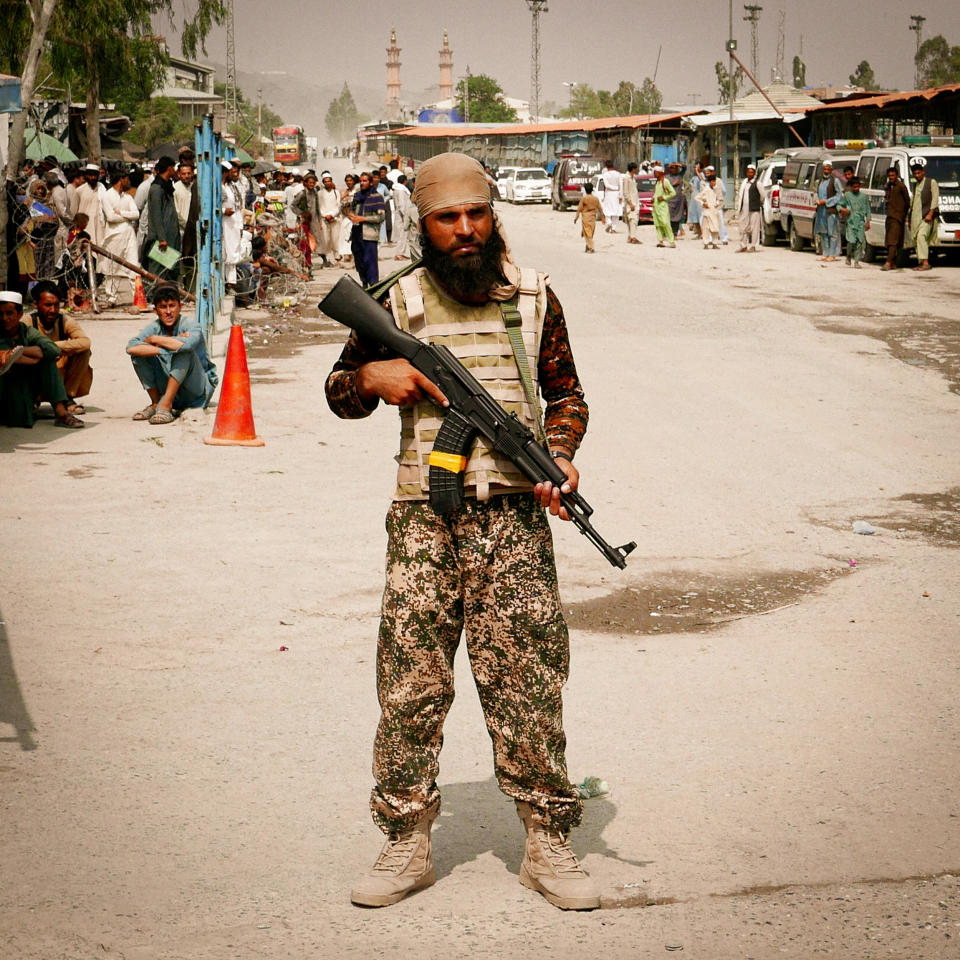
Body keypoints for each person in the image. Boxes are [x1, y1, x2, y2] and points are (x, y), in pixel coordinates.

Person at [325, 151, 599, 912]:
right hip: (424, 519)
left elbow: (566, 392)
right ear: (426, 223)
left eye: (477, 214)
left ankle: (548, 842)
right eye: (449, 218)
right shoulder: (395, 302)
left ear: (493, 214)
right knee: (410, 683)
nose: (467, 229)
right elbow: (339, 391)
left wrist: (564, 456)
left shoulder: (535, 297)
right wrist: (370, 380)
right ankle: (405, 839)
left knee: (530, 681)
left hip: (514, 519)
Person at [126, 283, 218, 425]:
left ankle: (166, 405)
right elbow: (131, 347)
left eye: (172, 306)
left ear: (180, 307)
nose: (168, 312)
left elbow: (186, 345)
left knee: (183, 352)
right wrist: (167, 347)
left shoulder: (190, 324)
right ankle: (156, 403)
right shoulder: (155, 327)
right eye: (163, 307)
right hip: (174, 388)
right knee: (139, 354)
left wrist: (155, 340)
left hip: (197, 391)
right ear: (156, 310)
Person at [0, 290, 83, 428]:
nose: (4, 318)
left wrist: (19, 351)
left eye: (9, 313)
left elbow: (52, 350)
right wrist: (16, 357)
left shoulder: (25, 331)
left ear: (19, 314)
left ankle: (61, 413)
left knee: (47, 361)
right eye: (0, 314)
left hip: (22, 388)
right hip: (5, 389)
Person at [28, 280, 92, 410]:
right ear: (36, 305)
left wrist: (52, 347)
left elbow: (85, 342)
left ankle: (67, 397)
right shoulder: (27, 322)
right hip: (36, 373)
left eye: (56, 305)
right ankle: (31, 398)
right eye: (48, 305)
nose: (53, 310)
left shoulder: (64, 320)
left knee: (84, 352)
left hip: (59, 371)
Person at [100, 167, 141, 303]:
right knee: (113, 267)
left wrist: (121, 213)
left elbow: (136, 214)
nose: (128, 181)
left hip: (129, 234)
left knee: (133, 265)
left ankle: (137, 296)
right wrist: (126, 216)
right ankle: (111, 297)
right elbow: (111, 217)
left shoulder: (127, 197)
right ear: (120, 180)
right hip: (114, 235)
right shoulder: (107, 195)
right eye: (126, 179)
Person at [144, 156, 180, 288]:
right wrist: (162, 238)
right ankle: (152, 294)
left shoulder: (166, 186)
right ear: (169, 168)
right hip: (161, 238)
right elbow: (156, 216)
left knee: (169, 269)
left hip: (170, 235)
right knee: (157, 269)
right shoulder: (157, 189)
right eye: (174, 168)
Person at [346, 171, 385, 286]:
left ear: (371, 183)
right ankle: (364, 283)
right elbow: (352, 210)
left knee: (370, 263)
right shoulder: (357, 196)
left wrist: (363, 218)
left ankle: (373, 286)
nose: (362, 183)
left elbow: (381, 217)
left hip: (369, 235)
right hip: (357, 233)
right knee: (359, 262)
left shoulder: (377, 197)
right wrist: (351, 215)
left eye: (365, 181)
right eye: (361, 181)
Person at [908, 157, 939, 272]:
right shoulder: (916, 185)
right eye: (915, 173)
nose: (917, 175)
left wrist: (930, 214)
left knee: (922, 237)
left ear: (923, 172)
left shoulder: (931, 182)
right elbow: (913, 203)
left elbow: (935, 199)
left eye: (918, 173)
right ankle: (921, 263)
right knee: (916, 239)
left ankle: (926, 263)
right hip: (916, 217)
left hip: (927, 217)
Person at [837, 177, 871, 268]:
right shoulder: (847, 195)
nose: (856, 189)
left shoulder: (864, 197)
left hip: (860, 222)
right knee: (851, 241)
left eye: (857, 187)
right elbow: (839, 205)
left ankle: (856, 261)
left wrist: (868, 221)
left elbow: (868, 209)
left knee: (860, 241)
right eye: (854, 187)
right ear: (851, 187)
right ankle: (848, 256)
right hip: (850, 222)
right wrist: (843, 210)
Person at [814, 159, 843, 262]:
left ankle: (833, 254)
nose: (826, 170)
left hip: (831, 210)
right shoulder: (819, 181)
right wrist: (816, 199)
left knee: (833, 232)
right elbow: (815, 192)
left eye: (828, 169)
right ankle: (825, 253)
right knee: (823, 232)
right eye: (825, 168)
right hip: (821, 211)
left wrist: (826, 202)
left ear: (831, 169)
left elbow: (839, 195)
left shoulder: (835, 181)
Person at [882, 166, 910, 271]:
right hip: (890, 216)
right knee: (889, 241)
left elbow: (907, 202)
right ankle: (893, 262)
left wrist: (903, 214)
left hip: (897, 217)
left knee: (893, 241)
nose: (891, 177)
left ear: (897, 176)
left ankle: (888, 262)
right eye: (889, 176)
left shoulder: (901, 186)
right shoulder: (888, 186)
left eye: (893, 175)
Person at [222, 160, 244, 289]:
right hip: (224, 223)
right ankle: (227, 283)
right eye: (231, 171)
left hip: (233, 224)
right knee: (225, 254)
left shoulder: (232, 187)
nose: (234, 174)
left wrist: (240, 225)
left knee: (233, 253)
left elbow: (237, 206)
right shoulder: (219, 187)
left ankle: (231, 282)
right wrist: (224, 211)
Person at [735, 163, 765, 252]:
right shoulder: (744, 182)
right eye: (748, 172)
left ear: (754, 173)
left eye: (752, 172)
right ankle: (743, 245)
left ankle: (753, 246)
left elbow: (763, 195)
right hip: (744, 209)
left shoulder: (758, 183)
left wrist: (759, 203)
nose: (750, 174)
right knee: (743, 227)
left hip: (754, 209)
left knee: (754, 228)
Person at [74, 163, 105, 247]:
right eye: (90, 175)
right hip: (84, 227)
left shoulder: (102, 190)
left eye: (95, 175)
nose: (93, 178)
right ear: (86, 175)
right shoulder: (79, 191)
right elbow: (75, 212)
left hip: (98, 226)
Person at [573, 182, 605, 253]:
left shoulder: (584, 199)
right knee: (590, 232)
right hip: (593, 217)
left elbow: (579, 209)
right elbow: (600, 209)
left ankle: (591, 247)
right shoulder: (595, 199)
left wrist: (576, 217)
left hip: (586, 217)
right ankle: (588, 246)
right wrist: (603, 218)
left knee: (587, 233)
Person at [696, 166, 723, 248]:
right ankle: (706, 243)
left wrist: (717, 203)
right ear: (709, 182)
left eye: (714, 181)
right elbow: (697, 197)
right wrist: (703, 203)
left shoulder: (717, 189)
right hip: (707, 212)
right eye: (711, 181)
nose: (713, 183)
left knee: (715, 228)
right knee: (706, 228)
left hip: (714, 211)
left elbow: (720, 198)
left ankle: (715, 243)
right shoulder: (706, 189)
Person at [651, 164, 676, 247]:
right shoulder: (657, 182)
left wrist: (664, 197)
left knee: (665, 223)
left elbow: (673, 193)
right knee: (658, 224)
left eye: (655, 172)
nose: (654, 174)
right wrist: (653, 198)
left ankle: (671, 241)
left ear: (660, 172)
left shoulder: (665, 181)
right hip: (656, 206)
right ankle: (660, 241)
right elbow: (656, 193)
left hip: (663, 206)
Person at [391, 173, 413, 260]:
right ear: (405, 181)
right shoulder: (400, 190)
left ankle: (401, 253)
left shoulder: (398, 189)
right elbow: (401, 204)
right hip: (402, 216)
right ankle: (399, 254)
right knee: (402, 235)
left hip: (401, 215)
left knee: (403, 235)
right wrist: (405, 216)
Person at [600, 159, 622, 232]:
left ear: (606, 167)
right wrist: (620, 195)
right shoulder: (618, 174)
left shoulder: (605, 175)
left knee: (607, 210)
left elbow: (606, 185)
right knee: (616, 211)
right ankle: (614, 228)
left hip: (609, 193)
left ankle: (609, 223)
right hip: (617, 193)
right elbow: (621, 185)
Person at [622, 162, 641, 244]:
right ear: (633, 169)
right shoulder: (626, 178)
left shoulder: (633, 178)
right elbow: (625, 192)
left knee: (632, 220)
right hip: (630, 203)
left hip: (635, 202)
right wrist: (630, 203)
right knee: (632, 220)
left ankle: (630, 236)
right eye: (635, 168)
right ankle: (633, 237)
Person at [667, 163, 686, 239]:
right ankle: (668, 233)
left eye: (675, 168)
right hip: (670, 200)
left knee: (678, 218)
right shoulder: (667, 177)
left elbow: (684, 167)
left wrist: (678, 164)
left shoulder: (680, 175)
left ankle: (675, 234)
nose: (674, 169)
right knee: (669, 218)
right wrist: (672, 184)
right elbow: (664, 187)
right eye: (672, 168)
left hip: (679, 200)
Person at [686, 161, 703, 239]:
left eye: (697, 167)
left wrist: (697, 171)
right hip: (693, 198)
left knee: (701, 216)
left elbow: (703, 181)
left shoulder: (702, 175)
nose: (695, 169)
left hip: (700, 198)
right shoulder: (694, 177)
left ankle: (703, 233)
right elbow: (690, 186)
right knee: (694, 216)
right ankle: (699, 233)